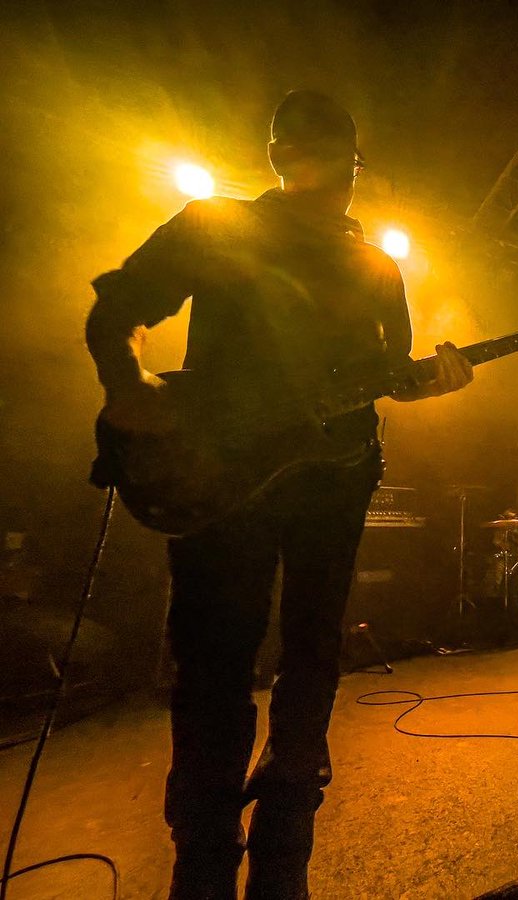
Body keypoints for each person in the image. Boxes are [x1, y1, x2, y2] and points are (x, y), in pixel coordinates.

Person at [84, 90, 474, 900]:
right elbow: (117, 306)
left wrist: (433, 383)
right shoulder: (217, 224)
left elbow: (388, 375)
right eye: (291, 142)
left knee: (311, 651)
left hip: (333, 476)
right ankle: (203, 854)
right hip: (220, 475)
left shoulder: (378, 265)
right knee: (215, 658)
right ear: (275, 155)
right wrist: (127, 382)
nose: (306, 156)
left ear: (353, 163)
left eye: (322, 143)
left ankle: (285, 839)